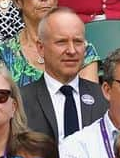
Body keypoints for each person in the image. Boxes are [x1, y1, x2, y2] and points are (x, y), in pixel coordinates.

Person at [19, 8, 107, 140]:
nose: (71, 50)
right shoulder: (20, 101)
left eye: (77, 42)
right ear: (41, 48)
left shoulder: (104, 99)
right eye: (61, 42)